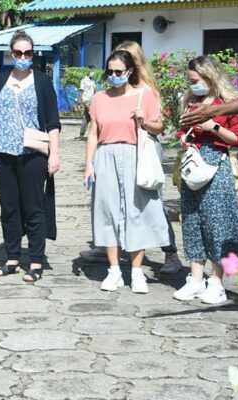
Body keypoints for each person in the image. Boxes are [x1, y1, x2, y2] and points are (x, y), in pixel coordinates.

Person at [81, 40, 183, 274]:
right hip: (109, 153)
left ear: (132, 65)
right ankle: (111, 254)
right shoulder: (101, 97)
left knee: (146, 205)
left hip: (141, 150)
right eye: (111, 70)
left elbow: (158, 126)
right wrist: (89, 163)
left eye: (120, 69)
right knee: (108, 206)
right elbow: (94, 133)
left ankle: (168, 251)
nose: (114, 74)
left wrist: (143, 121)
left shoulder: (145, 91)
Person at [0, 30, 61, 282]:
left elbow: (53, 122)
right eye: (18, 52)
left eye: (28, 53)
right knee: (9, 208)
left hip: (32, 152)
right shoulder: (2, 79)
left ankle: (36, 261)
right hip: (2, 152)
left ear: (33, 54)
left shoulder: (43, 82)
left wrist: (54, 154)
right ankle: (12, 257)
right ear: (11, 53)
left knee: (33, 207)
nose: (23, 57)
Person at [172, 56, 238, 304]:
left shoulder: (229, 103)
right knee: (192, 220)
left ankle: (217, 282)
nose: (192, 85)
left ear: (210, 77)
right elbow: (181, 129)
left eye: (196, 80)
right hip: (192, 165)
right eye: (190, 80)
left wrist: (213, 125)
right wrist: (182, 135)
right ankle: (195, 279)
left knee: (218, 223)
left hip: (216, 163)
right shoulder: (191, 100)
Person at [77, 67, 96, 141]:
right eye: (91, 70)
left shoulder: (93, 81)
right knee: (93, 115)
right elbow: (81, 91)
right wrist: (80, 100)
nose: (92, 72)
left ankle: (82, 134)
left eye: (93, 70)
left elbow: (94, 91)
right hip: (86, 100)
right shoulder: (84, 81)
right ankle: (94, 134)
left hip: (92, 101)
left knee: (86, 117)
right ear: (88, 71)